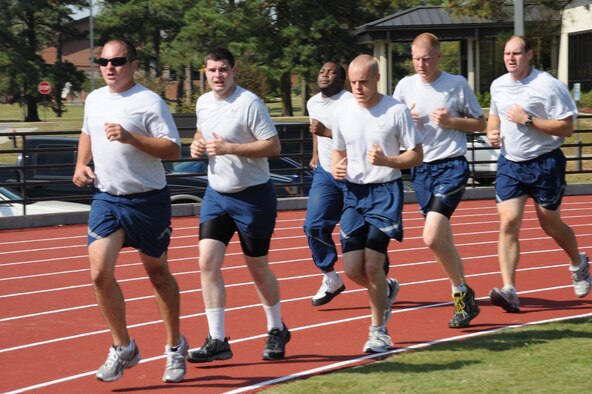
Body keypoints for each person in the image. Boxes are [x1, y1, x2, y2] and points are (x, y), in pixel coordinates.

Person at [72, 39, 187, 383]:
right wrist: (80, 163)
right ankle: (123, 347)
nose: (109, 67)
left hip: (148, 200)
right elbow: (87, 132)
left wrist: (132, 137)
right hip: (107, 198)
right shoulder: (93, 99)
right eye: (103, 61)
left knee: (157, 274)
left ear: (133, 64)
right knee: (98, 274)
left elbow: (173, 150)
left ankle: (174, 347)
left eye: (118, 61)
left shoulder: (149, 102)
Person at [186, 48, 290, 363]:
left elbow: (273, 146)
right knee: (206, 262)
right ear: (205, 72)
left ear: (234, 71)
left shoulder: (249, 103)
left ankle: (276, 329)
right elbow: (202, 132)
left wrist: (231, 148)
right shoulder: (203, 102)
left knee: (257, 268)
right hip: (217, 195)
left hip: (253, 196)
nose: (218, 75)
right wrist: (196, 144)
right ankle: (217, 339)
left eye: (224, 70)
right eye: (212, 70)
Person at [487, 35, 591, 312]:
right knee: (508, 222)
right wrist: (492, 132)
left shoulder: (548, 85)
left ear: (530, 54)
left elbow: (566, 128)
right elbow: (494, 114)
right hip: (511, 164)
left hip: (545, 163)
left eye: (517, 53)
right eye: (507, 53)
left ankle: (578, 262)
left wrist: (529, 120)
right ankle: (509, 289)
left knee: (551, 225)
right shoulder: (498, 85)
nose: (511, 58)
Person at [393, 32, 486, 328]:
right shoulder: (405, 86)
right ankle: (464, 295)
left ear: (439, 57)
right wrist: (405, 120)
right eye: (416, 59)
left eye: (426, 59)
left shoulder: (456, 84)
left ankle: (460, 292)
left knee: (431, 236)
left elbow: (481, 123)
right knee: (442, 238)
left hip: (451, 166)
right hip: (421, 169)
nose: (421, 64)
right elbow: (390, 124)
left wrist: (452, 121)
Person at [332, 54, 423, 353]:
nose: (358, 88)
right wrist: (337, 168)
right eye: (353, 82)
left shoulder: (395, 110)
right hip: (353, 195)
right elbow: (337, 152)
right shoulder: (343, 111)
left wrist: (388, 160)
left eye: (364, 83)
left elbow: (416, 154)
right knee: (351, 270)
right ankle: (387, 289)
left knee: (372, 265)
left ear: (377, 79)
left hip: (385, 192)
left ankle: (378, 331)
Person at [306, 61, 399, 311]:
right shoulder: (312, 102)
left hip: (353, 176)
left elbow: (351, 134)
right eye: (322, 70)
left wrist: (326, 132)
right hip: (326, 174)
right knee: (313, 225)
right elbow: (316, 132)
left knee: (364, 238)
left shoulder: (350, 101)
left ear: (343, 78)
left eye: (331, 72)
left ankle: (382, 279)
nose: (325, 74)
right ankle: (331, 277)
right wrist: (316, 155)